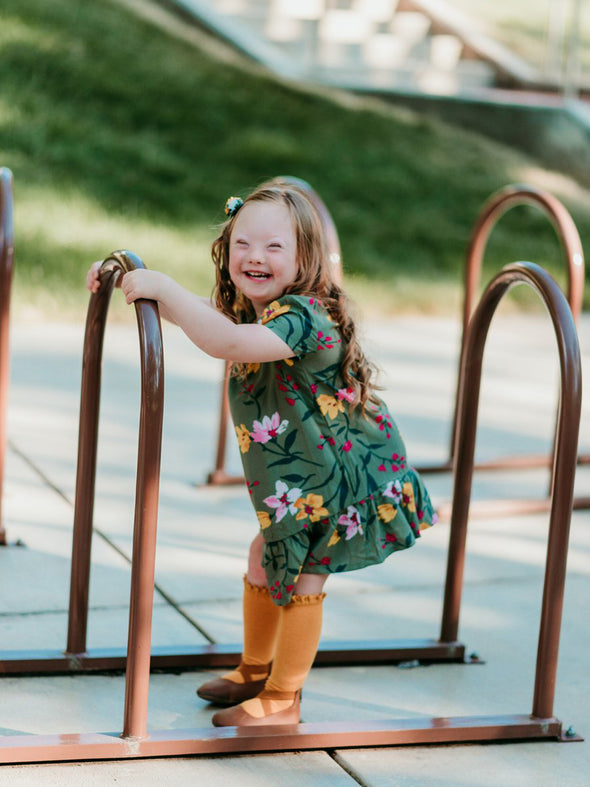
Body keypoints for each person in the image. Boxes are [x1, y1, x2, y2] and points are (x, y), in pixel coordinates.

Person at [86, 180, 437, 728]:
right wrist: (138, 285)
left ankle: (283, 699)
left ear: (304, 260)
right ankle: (255, 670)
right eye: (243, 243)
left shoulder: (302, 315)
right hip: (301, 480)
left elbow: (227, 342)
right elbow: (216, 323)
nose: (255, 256)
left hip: (339, 479)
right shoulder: (262, 311)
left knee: (304, 575)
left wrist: (165, 289)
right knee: (262, 558)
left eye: (274, 247)